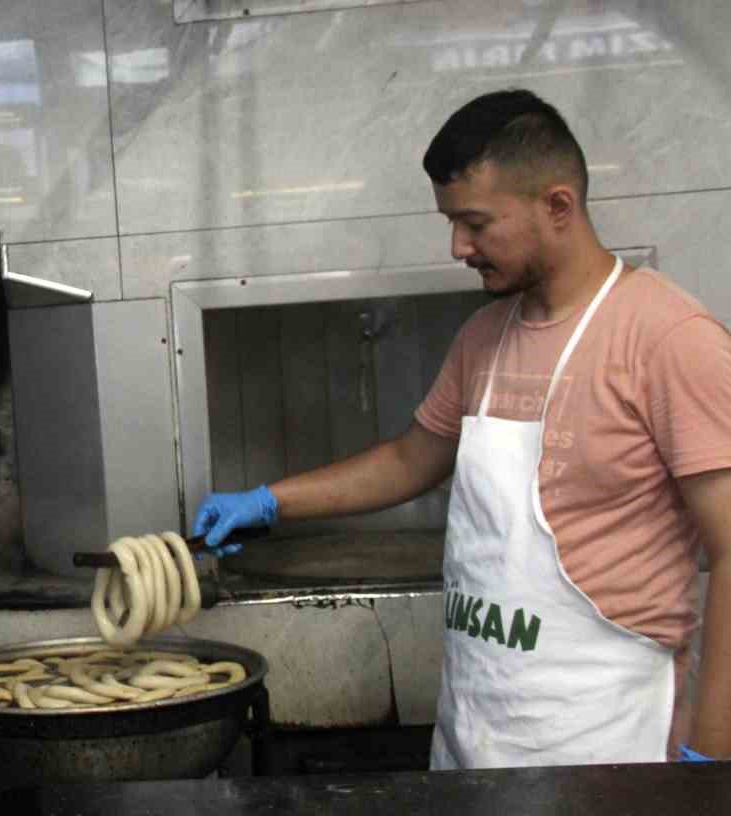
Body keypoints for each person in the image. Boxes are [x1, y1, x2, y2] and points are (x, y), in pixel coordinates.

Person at [191, 89, 731, 769]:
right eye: (451, 222)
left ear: (557, 206)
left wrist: (712, 756)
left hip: (607, 743)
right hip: (479, 730)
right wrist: (269, 501)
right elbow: (412, 459)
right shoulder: (486, 335)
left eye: (476, 223)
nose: (457, 246)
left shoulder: (669, 337)